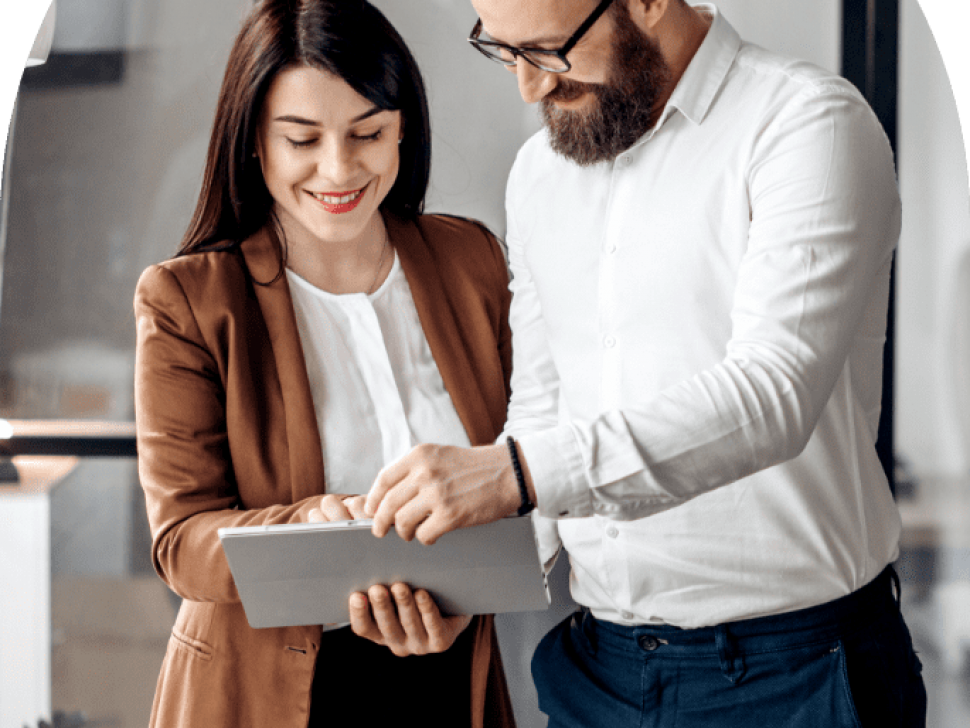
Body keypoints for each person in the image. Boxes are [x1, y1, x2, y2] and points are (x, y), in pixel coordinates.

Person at [363, 0, 928, 726]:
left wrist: (517, 476)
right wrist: (468, 592)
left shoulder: (806, 124)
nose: (529, 89)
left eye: (548, 51)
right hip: (596, 672)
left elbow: (772, 395)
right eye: (502, 52)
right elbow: (543, 406)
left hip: (795, 677)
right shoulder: (538, 172)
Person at [132, 1, 517, 726]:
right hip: (261, 694)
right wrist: (307, 528)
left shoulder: (470, 261)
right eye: (301, 140)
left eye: (367, 133)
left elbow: (523, 466)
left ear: (404, 126)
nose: (338, 169)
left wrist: (465, 599)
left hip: (448, 679)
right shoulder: (189, 299)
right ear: (254, 143)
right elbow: (181, 544)